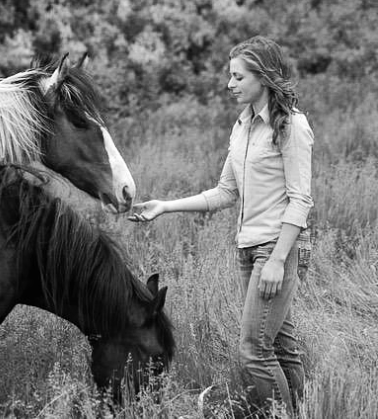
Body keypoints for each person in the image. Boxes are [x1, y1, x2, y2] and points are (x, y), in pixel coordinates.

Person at [129, 36, 313, 415]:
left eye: (238, 76)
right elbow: (225, 192)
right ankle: (309, 408)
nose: (230, 84)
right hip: (248, 248)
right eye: (230, 76)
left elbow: (301, 200)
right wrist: (165, 207)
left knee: (254, 351)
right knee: (280, 344)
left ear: (262, 78)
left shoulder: (291, 126)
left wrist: (278, 259)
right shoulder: (242, 126)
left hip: (275, 248)